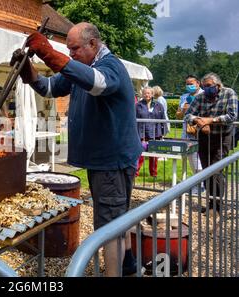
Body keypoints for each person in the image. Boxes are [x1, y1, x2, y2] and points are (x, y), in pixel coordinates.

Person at [11, 22, 143, 276]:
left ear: (93, 44)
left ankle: (114, 273)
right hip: (102, 161)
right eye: (68, 50)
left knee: (109, 227)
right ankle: (128, 266)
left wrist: (49, 53)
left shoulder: (110, 66)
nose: (70, 54)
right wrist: (29, 71)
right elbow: (49, 88)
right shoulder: (84, 68)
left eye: (74, 49)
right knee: (117, 216)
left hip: (112, 162)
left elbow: (99, 84)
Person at [184, 73, 238, 199]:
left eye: (209, 86)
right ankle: (210, 201)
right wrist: (199, 121)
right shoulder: (201, 97)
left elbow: (232, 116)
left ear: (218, 85)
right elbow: (188, 115)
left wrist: (211, 121)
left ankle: (217, 205)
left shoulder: (229, 93)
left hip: (222, 137)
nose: (206, 88)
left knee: (216, 170)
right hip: (204, 137)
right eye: (204, 86)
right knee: (206, 171)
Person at [176, 75, 204, 193]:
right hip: (186, 132)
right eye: (187, 84)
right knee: (190, 157)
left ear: (198, 83)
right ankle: (197, 182)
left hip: (200, 131)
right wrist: (183, 110)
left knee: (199, 158)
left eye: (191, 83)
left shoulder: (204, 95)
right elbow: (178, 115)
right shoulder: (184, 97)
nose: (189, 86)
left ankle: (202, 183)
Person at [136, 87, 168, 177]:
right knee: (140, 154)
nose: (147, 95)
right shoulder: (137, 105)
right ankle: (135, 172)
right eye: (145, 93)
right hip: (142, 133)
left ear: (153, 94)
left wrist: (163, 132)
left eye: (149, 93)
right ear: (142, 94)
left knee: (154, 154)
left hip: (155, 133)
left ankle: (153, 173)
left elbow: (163, 119)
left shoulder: (158, 105)